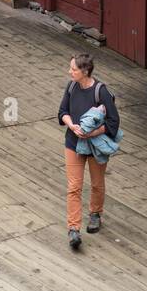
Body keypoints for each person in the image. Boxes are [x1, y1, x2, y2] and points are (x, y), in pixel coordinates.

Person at [59, 53, 120, 251]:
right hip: (73, 143)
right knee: (74, 186)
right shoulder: (71, 87)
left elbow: (113, 122)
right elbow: (62, 112)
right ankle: (73, 229)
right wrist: (73, 126)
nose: (70, 72)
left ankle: (95, 214)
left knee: (96, 183)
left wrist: (93, 132)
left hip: (94, 146)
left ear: (85, 71)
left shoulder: (100, 91)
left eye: (74, 69)